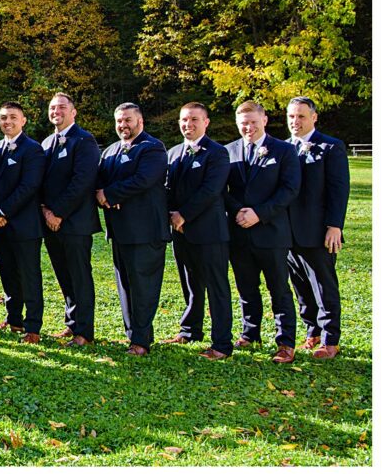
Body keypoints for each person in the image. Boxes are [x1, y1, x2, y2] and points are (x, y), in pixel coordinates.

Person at [224, 101, 301, 363]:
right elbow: (222, 190)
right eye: (243, 123)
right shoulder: (229, 151)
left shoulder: (284, 150)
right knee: (246, 287)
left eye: (253, 122)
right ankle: (250, 333)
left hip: (271, 232)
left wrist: (259, 214)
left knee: (278, 288)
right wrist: (238, 211)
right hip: (239, 231)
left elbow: (289, 189)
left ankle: (285, 342)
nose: (248, 128)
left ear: (264, 120)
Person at [96, 103, 169, 356]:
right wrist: (104, 194)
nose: (123, 125)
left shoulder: (152, 148)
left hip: (146, 231)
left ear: (140, 121)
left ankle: (141, 341)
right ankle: (133, 335)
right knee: (125, 286)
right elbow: (99, 180)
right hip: (119, 231)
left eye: (128, 120)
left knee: (144, 286)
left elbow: (143, 180)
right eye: (119, 121)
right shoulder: (111, 151)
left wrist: (111, 194)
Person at [161, 102, 233, 360]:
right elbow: (166, 188)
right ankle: (191, 330)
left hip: (209, 232)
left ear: (206, 122)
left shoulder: (217, 153)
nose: (187, 124)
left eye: (194, 119)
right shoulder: (173, 153)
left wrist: (183, 215)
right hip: (181, 232)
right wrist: (170, 214)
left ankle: (222, 343)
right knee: (190, 284)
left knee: (216, 287)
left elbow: (211, 190)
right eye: (184, 120)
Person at [286, 96, 350, 360]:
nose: (295, 121)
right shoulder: (284, 148)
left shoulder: (331, 147)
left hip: (318, 232)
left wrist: (335, 226)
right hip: (288, 232)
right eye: (291, 116)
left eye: (301, 116)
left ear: (314, 117)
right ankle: (311, 332)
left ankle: (329, 339)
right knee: (300, 286)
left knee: (323, 285)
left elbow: (339, 190)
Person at [39, 92, 101, 347]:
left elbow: (82, 182)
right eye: (53, 108)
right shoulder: (46, 143)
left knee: (79, 276)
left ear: (73, 112)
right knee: (64, 275)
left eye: (62, 107)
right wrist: (45, 211)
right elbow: (40, 182)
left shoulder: (84, 140)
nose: (56, 111)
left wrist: (59, 213)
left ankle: (84, 332)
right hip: (50, 222)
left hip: (75, 222)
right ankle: (72, 323)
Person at [0, 102, 46, 344]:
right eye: (3, 117)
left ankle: (33, 326)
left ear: (23, 121)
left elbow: (29, 186)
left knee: (29, 276)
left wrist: (2, 211)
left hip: (24, 225)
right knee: (8, 274)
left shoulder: (33, 149)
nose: (7, 121)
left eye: (13, 117)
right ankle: (14, 319)